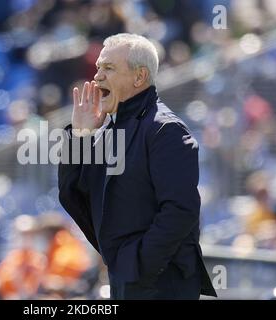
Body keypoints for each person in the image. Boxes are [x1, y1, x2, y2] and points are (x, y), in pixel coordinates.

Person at [58, 33, 217, 299]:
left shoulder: (166, 130)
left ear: (139, 77)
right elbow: (71, 196)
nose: (97, 76)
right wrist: (80, 136)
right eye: (98, 67)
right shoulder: (107, 130)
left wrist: (138, 265)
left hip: (161, 284)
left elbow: (181, 210)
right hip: (126, 281)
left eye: (108, 68)